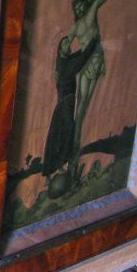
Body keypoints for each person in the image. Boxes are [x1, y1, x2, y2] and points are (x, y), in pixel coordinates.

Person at [66, 0, 131, 153]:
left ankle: (77, 138)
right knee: (81, 101)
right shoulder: (76, 26)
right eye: (76, 8)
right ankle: (75, 139)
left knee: (87, 101)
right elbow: (65, 45)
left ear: (84, 3)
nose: (79, 9)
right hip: (85, 63)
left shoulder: (93, 10)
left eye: (80, 6)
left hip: (97, 60)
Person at [42, 35, 100, 177]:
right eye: (65, 43)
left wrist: (87, 45)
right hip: (65, 104)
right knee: (68, 131)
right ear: (60, 49)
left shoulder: (64, 60)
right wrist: (93, 41)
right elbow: (81, 59)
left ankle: (60, 165)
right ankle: (61, 164)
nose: (69, 44)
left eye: (68, 42)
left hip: (65, 103)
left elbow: (78, 55)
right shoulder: (64, 66)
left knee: (62, 134)